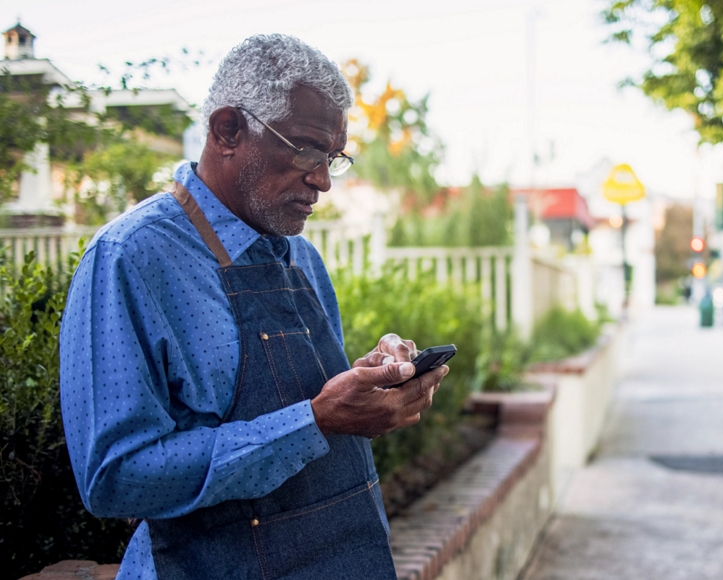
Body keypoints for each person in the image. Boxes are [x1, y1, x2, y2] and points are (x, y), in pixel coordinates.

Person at [60, 34, 448, 580]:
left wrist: (367, 384)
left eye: (334, 157)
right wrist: (315, 421)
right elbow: (115, 477)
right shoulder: (130, 257)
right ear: (228, 131)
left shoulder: (303, 259)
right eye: (307, 149)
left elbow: (315, 406)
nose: (323, 180)